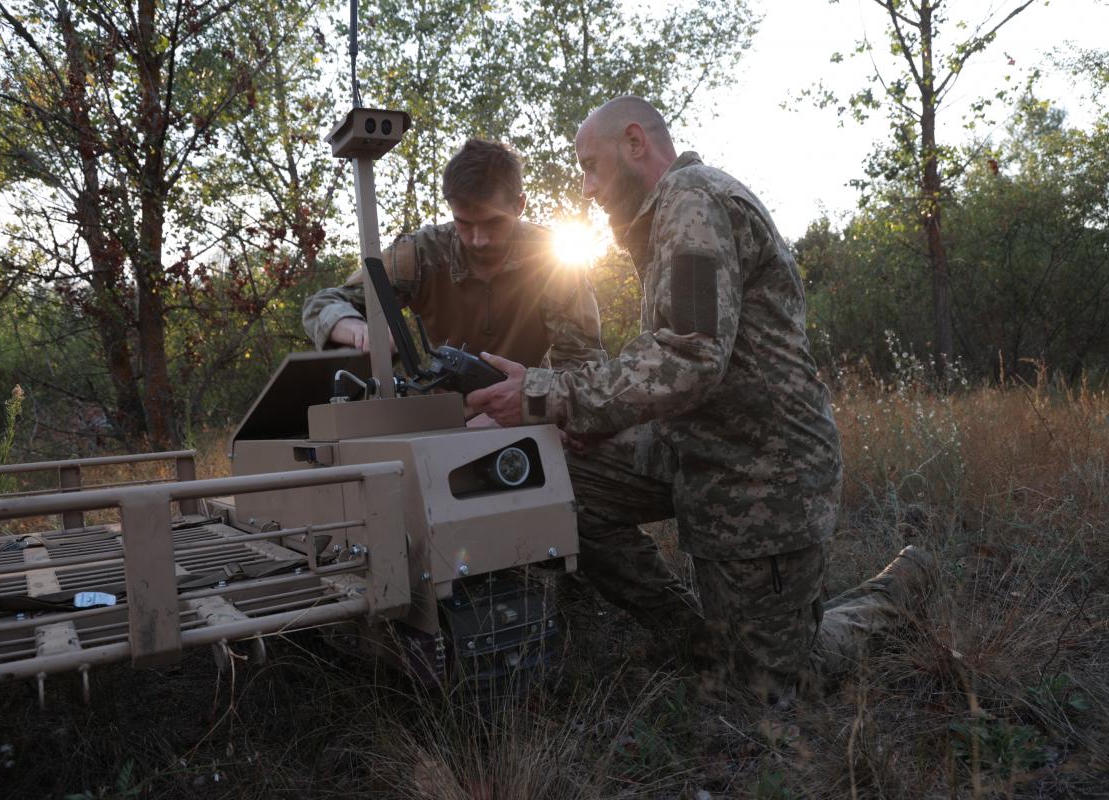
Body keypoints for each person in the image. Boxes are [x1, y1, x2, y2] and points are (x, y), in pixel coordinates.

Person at [467, 96, 934, 701]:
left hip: (763, 474)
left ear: (635, 143)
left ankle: (904, 583)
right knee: (559, 477)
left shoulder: (693, 199)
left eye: (591, 166)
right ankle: (690, 631)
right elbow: (674, 359)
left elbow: (689, 359)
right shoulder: (664, 220)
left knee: (776, 685)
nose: (585, 188)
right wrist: (586, 420)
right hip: (693, 449)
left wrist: (546, 393)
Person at [303, 138, 604, 375]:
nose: (479, 240)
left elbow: (582, 365)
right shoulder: (422, 254)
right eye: (464, 223)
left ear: (519, 205)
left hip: (527, 410)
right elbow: (323, 304)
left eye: (493, 223)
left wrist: (537, 408)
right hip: (444, 415)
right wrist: (359, 329)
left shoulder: (553, 260)